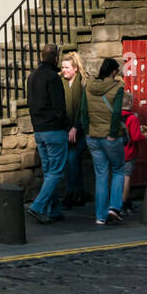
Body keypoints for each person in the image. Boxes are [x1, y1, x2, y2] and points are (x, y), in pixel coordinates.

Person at [25, 44, 70, 224]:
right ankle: (38, 206)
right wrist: (67, 125)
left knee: (49, 171)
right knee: (56, 172)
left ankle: (54, 210)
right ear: (56, 59)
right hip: (54, 130)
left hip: (39, 130)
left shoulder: (32, 77)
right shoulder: (53, 78)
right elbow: (59, 107)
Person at [81, 56, 127, 226]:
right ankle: (114, 207)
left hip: (92, 136)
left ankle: (100, 217)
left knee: (101, 175)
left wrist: (87, 132)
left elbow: (83, 111)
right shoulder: (117, 87)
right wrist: (113, 133)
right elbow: (116, 114)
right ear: (113, 71)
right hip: (110, 137)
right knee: (119, 169)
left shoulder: (89, 86)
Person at [61, 51, 89, 208]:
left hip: (82, 130)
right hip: (66, 129)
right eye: (62, 67)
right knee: (74, 161)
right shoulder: (61, 82)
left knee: (72, 159)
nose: (64, 70)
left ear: (75, 68)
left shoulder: (83, 83)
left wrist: (75, 127)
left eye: (66, 67)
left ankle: (70, 195)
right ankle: (79, 194)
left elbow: (82, 108)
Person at [119, 91, 144, 216]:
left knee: (116, 177)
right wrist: (145, 135)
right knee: (126, 178)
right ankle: (123, 203)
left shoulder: (115, 115)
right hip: (128, 152)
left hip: (116, 151)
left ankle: (120, 201)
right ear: (130, 102)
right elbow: (135, 137)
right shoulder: (132, 118)